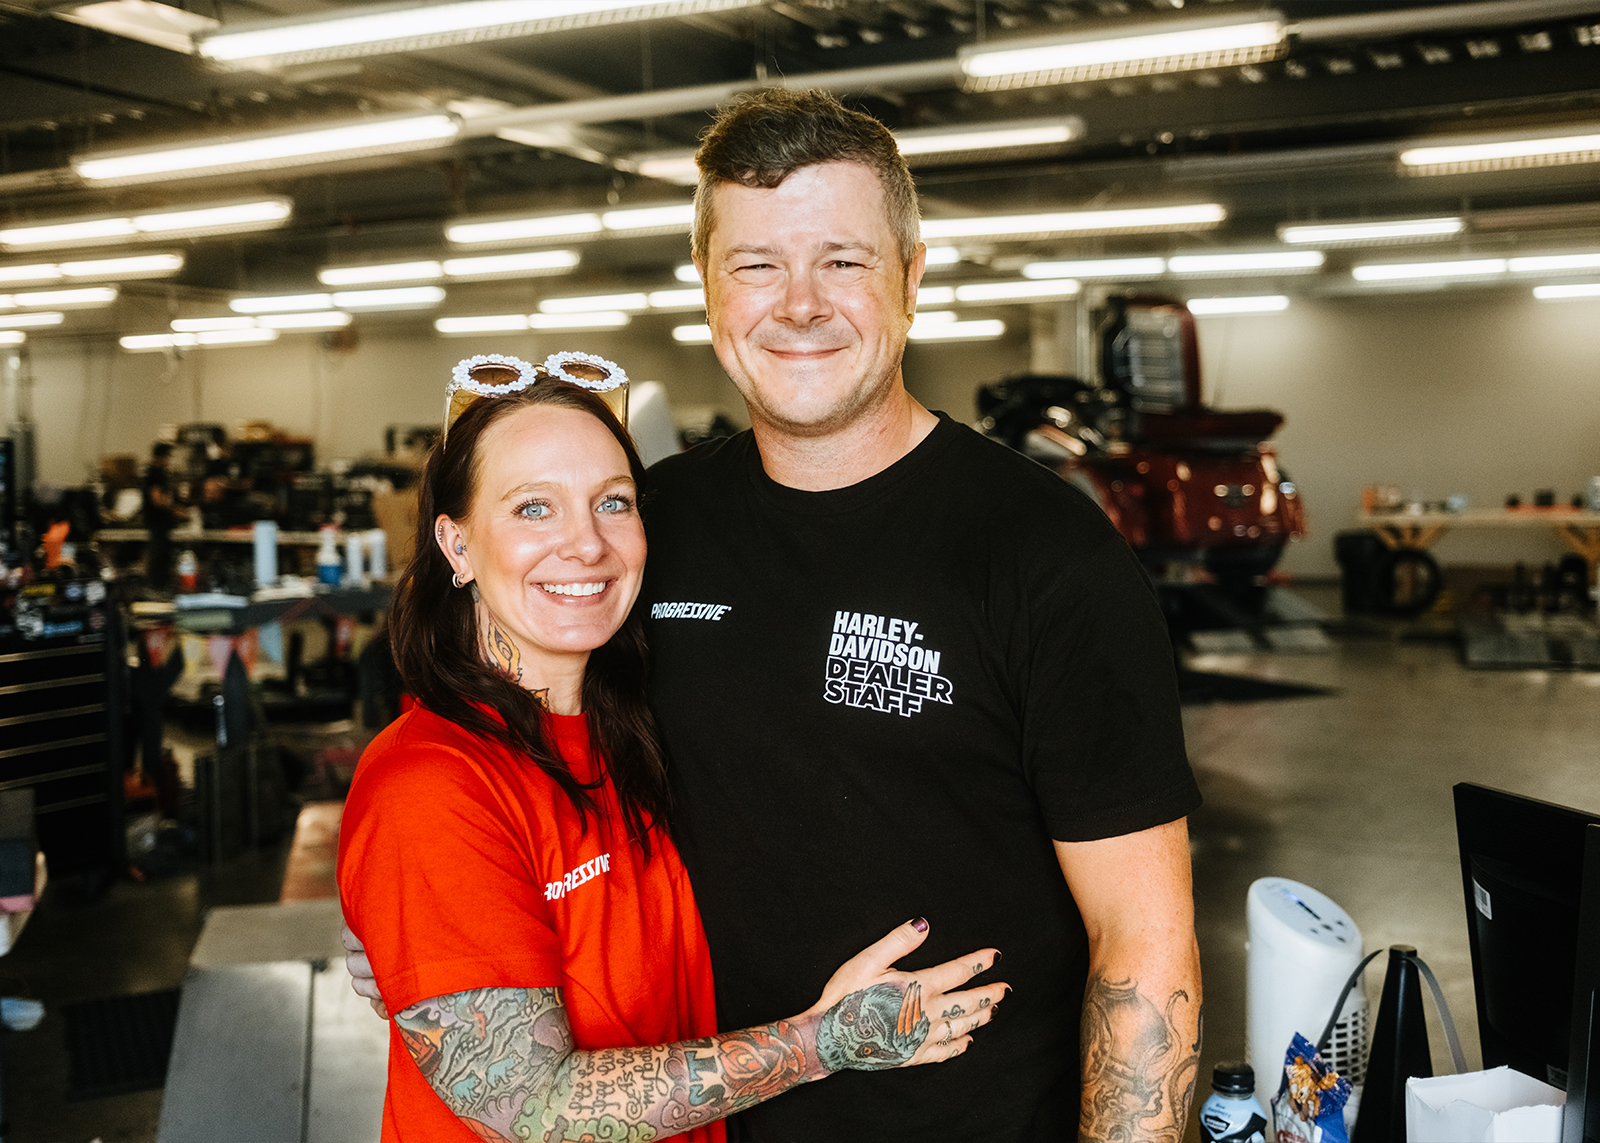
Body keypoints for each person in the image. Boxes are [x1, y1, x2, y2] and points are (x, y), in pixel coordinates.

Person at [634, 88, 1205, 1142]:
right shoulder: (646, 526)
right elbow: (529, 751)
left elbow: (1144, 943)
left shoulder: (1046, 554)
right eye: (755, 264)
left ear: (912, 277)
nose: (799, 303)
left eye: (842, 261)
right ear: (708, 285)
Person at [336, 354, 1007, 1143]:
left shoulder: (630, 731)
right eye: (533, 508)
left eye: (612, 502)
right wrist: (822, 1042)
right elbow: (532, 1107)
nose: (585, 544)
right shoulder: (430, 785)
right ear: (456, 544)